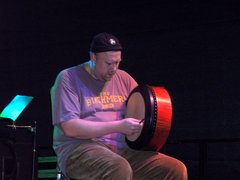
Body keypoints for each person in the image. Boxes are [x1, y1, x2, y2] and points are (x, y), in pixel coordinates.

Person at [51, 32, 188, 180]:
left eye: (117, 62)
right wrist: (118, 126)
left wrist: (143, 127)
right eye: (109, 63)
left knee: (174, 169)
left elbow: (142, 110)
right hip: (79, 150)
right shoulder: (68, 78)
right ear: (93, 58)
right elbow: (70, 127)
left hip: (121, 151)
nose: (114, 69)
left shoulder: (124, 78)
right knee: (118, 167)